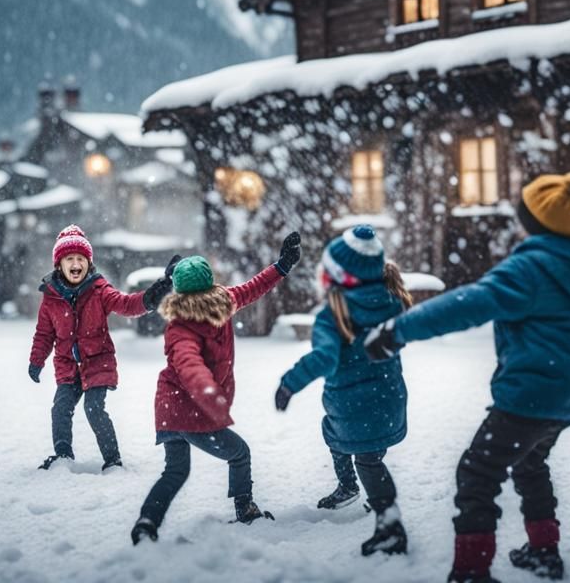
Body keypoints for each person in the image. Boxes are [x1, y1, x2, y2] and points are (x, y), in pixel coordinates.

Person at [365, 173, 570, 583]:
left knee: (477, 474)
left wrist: (398, 331)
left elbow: (469, 303)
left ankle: (471, 571)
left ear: (533, 222)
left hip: (528, 397)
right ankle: (544, 551)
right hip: (565, 397)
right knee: (531, 464)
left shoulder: (531, 268)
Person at [131, 233, 301, 545]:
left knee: (176, 472)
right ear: (210, 283)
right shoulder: (191, 323)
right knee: (239, 453)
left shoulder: (214, 305)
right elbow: (189, 365)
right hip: (191, 410)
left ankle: (146, 521)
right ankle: (245, 509)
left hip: (169, 407)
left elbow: (252, 288)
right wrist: (209, 394)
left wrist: (281, 267)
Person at [274, 225, 412, 556]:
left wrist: (289, 383)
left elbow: (323, 357)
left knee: (363, 458)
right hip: (389, 401)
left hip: (352, 407)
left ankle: (389, 524)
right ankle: (365, 494)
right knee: (367, 453)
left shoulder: (332, 315)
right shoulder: (391, 302)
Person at [28, 225, 174, 471]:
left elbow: (126, 304)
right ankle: (63, 457)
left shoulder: (99, 289)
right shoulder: (51, 297)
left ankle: (113, 460)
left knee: (94, 408)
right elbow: (44, 334)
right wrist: (36, 361)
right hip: (67, 365)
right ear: (59, 265)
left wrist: (153, 295)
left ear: (88, 263)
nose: (76, 264)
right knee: (60, 408)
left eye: (80, 259)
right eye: (69, 259)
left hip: (97, 362)